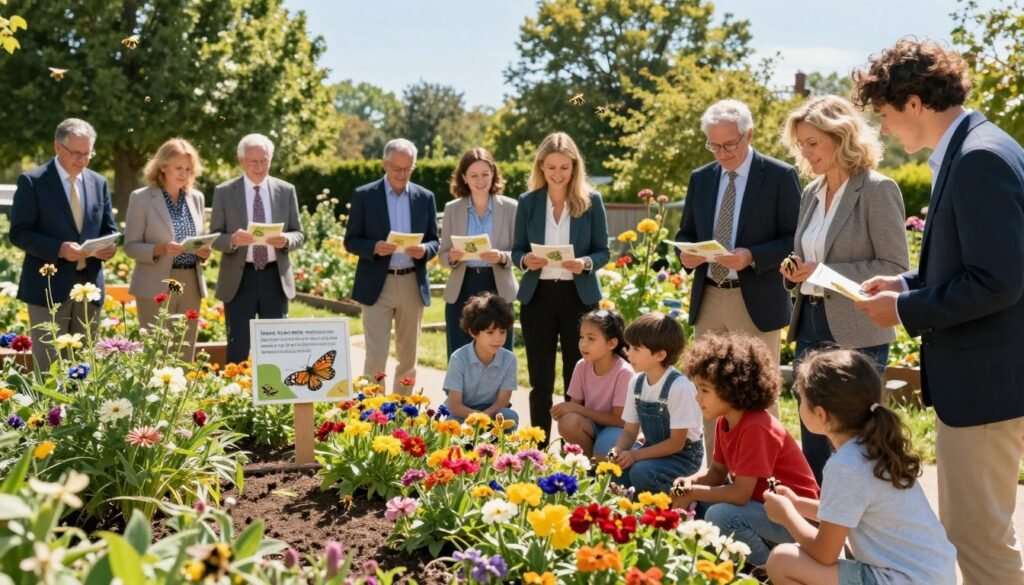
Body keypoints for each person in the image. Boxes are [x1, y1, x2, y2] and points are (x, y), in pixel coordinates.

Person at [851, 39, 1024, 585]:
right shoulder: (979, 148)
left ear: (916, 102)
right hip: (985, 379)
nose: (885, 129)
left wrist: (903, 309)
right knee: (977, 534)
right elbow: (975, 261)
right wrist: (906, 282)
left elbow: (999, 281)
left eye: (884, 114)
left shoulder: (978, 159)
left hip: (987, 385)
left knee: (977, 539)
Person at [779, 95, 910, 484]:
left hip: (858, 329)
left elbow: (895, 267)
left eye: (812, 143)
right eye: (800, 144)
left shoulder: (877, 189)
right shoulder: (811, 192)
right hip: (810, 324)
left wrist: (822, 271)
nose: (805, 152)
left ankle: (863, 534)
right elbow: (809, 256)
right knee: (814, 433)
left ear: (841, 137)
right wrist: (795, 271)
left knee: (855, 439)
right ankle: (822, 528)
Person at [675, 99, 801, 463]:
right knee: (710, 393)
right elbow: (686, 233)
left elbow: (794, 237)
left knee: (759, 396)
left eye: (730, 144)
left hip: (756, 300)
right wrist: (686, 255)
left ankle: (763, 481)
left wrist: (752, 256)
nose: (723, 153)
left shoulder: (779, 175)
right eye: (714, 146)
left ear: (750, 135)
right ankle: (717, 473)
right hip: (710, 296)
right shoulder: (701, 178)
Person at [764, 350, 956, 585]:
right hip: (932, 576)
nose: (800, 405)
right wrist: (798, 504)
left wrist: (787, 515)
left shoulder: (845, 465)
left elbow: (825, 554)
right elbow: (848, 513)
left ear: (821, 414)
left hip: (901, 579)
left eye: (802, 399)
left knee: (782, 561)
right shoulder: (874, 447)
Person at [673, 332, 819, 569]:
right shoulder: (725, 421)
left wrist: (695, 492)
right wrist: (688, 484)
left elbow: (740, 494)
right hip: (763, 508)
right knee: (707, 505)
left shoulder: (756, 427)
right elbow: (716, 474)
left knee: (720, 515)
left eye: (704, 390)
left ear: (732, 388)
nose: (697, 397)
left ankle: (767, 569)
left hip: (798, 519)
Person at [511, 132, 610, 442]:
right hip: (538, 296)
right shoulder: (528, 202)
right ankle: (537, 449)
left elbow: (602, 251)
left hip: (577, 299)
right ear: (541, 167)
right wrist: (526, 259)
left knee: (575, 376)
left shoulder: (591, 201)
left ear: (574, 167)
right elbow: (516, 250)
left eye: (564, 168)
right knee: (540, 379)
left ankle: (574, 451)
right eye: (551, 167)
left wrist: (586, 264)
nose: (557, 174)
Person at [9, 118, 118, 372]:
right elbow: (19, 233)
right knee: (49, 369)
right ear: (58, 148)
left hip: (89, 287)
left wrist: (109, 247)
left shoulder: (99, 182)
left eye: (88, 154)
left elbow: (109, 229)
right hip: (48, 289)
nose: (82, 160)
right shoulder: (32, 181)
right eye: (77, 153)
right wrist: (59, 248)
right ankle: (49, 414)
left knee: (84, 367)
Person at [345, 138, 440, 394]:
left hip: (412, 282)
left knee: (408, 357)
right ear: (384, 165)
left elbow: (435, 240)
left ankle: (402, 411)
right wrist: (373, 247)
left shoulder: (425, 197)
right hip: (377, 282)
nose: (402, 174)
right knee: (375, 355)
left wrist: (425, 250)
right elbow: (351, 240)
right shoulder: (364, 195)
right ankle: (372, 412)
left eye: (408, 169)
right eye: (397, 168)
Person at [210, 134, 305, 365]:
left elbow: (299, 234)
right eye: (253, 161)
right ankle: (236, 396)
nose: (259, 166)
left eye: (264, 160)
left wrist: (286, 240)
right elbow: (214, 238)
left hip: (275, 277)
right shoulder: (224, 192)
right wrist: (232, 239)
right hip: (239, 279)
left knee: (276, 347)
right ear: (241, 161)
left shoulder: (285, 190)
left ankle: (275, 397)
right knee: (238, 347)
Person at [124, 138, 212, 362]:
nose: (184, 173)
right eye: (178, 168)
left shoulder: (197, 198)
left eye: (188, 169)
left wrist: (202, 251)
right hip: (156, 282)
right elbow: (130, 246)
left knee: (185, 345)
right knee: (157, 349)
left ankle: (181, 395)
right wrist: (160, 248)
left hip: (190, 279)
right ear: (162, 166)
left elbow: (200, 239)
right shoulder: (142, 198)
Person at [610, 312, 703, 494]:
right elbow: (629, 431)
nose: (628, 353)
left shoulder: (679, 387)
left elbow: (676, 443)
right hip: (652, 451)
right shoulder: (636, 382)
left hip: (684, 458)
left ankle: (685, 501)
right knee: (615, 471)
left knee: (641, 472)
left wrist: (635, 455)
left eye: (636, 349)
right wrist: (617, 452)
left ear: (660, 354)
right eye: (629, 347)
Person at [439, 148, 518, 359]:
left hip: (498, 286)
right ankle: (458, 393)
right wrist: (452, 257)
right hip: (462, 288)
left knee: (498, 353)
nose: (480, 180)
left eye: (485, 174)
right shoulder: (452, 209)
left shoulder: (511, 208)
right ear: (464, 177)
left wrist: (502, 256)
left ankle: (498, 394)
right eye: (473, 175)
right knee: (459, 354)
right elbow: (442, 254)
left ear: (493, 173)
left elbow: (521, 252)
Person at [551, 308, 633, 460]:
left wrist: (576, 408)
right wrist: (563, 411)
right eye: (581, 337)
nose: (583, 344)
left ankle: (596, 461)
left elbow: (619, 420)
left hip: (616, 428)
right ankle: (586, 465)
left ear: (612, 343)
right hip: (591, 426)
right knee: (567, 421)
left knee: (603, 455)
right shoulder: (582, 366)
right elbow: (572, 411)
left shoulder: (624, 372)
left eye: (591, 338)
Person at [441, 292, 519, 427]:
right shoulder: (458, 358)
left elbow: (502, 402)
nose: (498, 338)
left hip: (492, 412)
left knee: (510, 417)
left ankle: (497, 447)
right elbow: (455, 405)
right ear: (472, 332)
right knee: (451, 424)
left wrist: (484, 419)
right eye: (490, 332)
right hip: (462, 413)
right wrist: (477, 418)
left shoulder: (509, 359)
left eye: (502, 332)